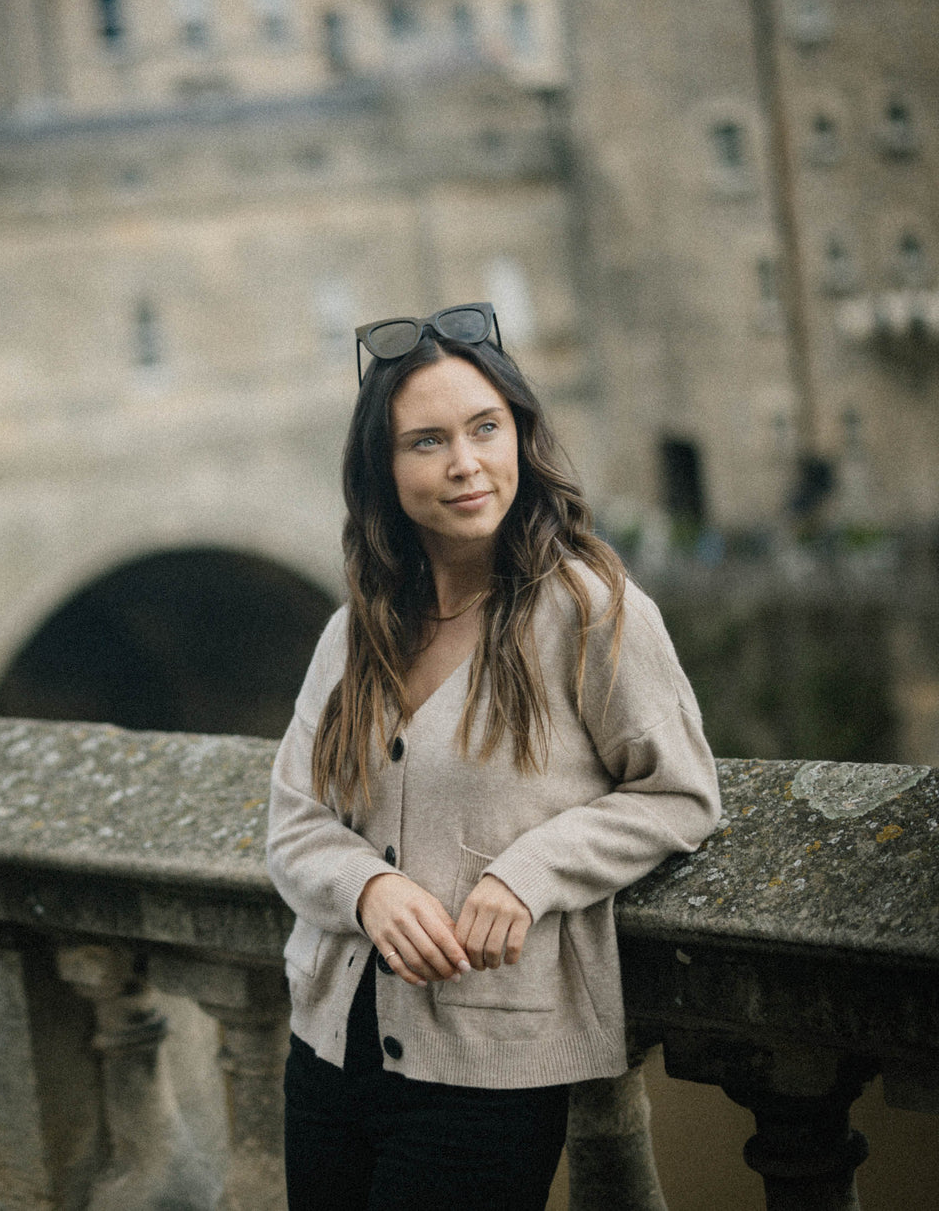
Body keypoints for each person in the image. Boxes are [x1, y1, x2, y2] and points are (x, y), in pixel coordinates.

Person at [266, 302, 720, 1211]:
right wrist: (368, 887)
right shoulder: (357, 631)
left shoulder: (592, 611)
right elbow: (294, 817)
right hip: (326, 1048)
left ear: (522, 435)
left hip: (489, 1065)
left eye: (485, 428)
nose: (465, 463)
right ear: (385, 470)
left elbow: (680, 794)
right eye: (426, 441)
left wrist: (529, 873)